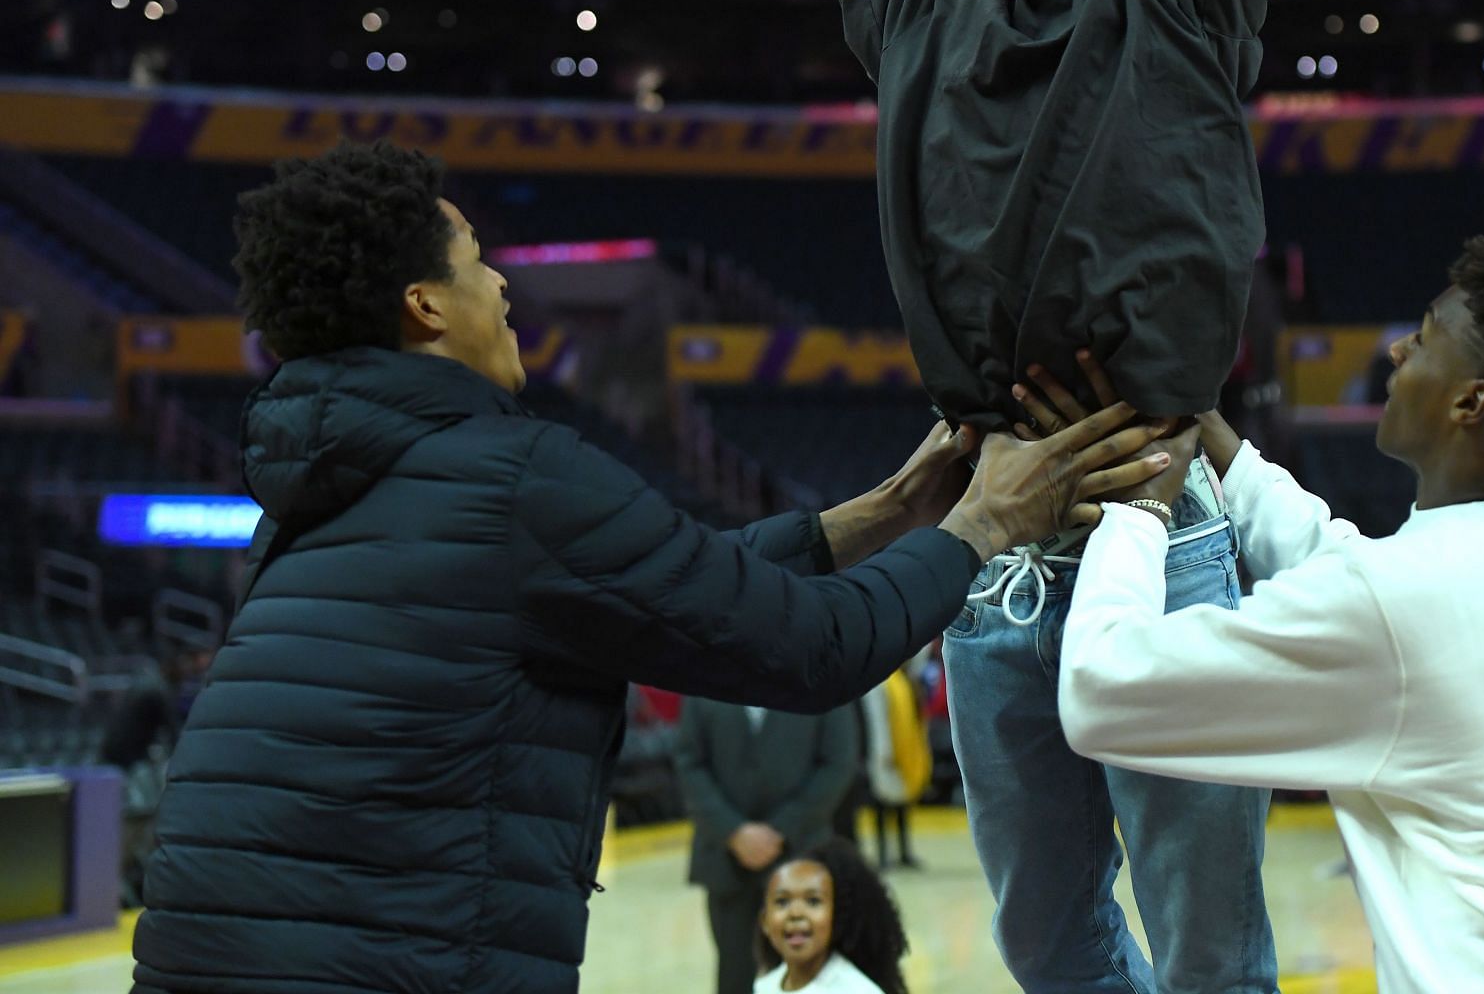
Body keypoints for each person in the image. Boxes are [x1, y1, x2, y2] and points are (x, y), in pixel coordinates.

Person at [126, 140, 1181, 994]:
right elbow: (807, 650)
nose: (500, 282)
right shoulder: (512, 475)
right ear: (426, 306)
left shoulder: (318, 496)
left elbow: (659, 580)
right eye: (479, 261)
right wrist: (983, 525)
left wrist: (888, 514)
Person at [804, 0, 1313, 987]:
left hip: (1164, 531)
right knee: (1044, 938)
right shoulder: (924, 6)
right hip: (992, 556)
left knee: (1210, 941)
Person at [1051, 237, 1484, 991]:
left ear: (1472, 402)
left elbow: (1101, 691)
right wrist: (1221, 451)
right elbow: (1363, 582)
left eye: (1426, 338)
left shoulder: (1404, 601)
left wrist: (1137, 507)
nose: (1398, 351)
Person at [676, 700, 859, 994]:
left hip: (802, 855)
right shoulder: (704, 674)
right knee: (734, 975)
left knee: (807, 976)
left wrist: (780, 829)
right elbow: (689, 761)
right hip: (727, 861)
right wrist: (734, 831)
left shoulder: (820, 674)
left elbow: (838, 762)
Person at [754, 840, 908, 994]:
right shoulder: (765, 985)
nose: (796, 913)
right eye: (782, 902)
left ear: (836, 917)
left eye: (813, 901)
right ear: (765, 922)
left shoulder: (858, 990)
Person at [860, 667, 932, 869]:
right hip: (885, 752)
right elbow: (877, 721)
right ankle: (883, 855)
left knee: (903, 804)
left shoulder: (906, 680)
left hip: (906, 750)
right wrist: (883, 752)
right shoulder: (880, 683)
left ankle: (904, 853)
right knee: (881, 805)